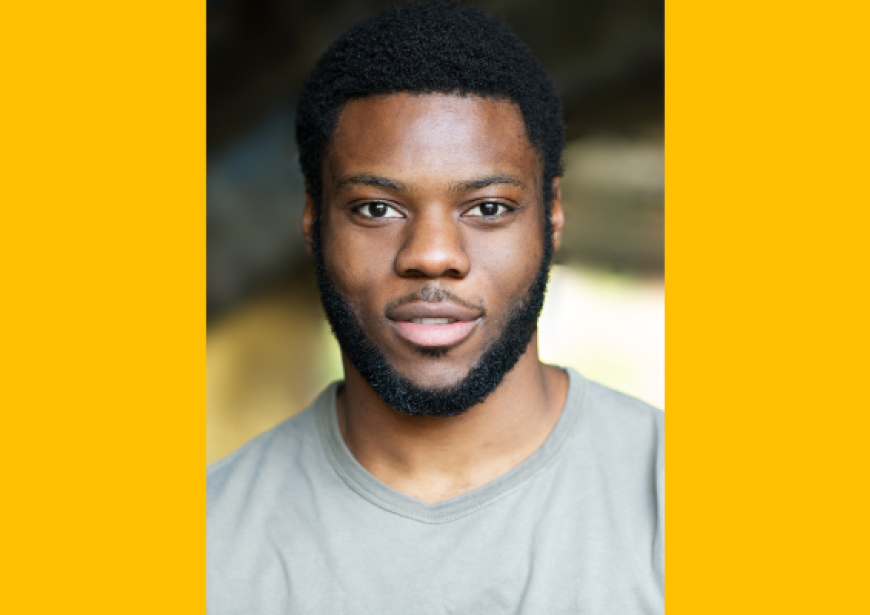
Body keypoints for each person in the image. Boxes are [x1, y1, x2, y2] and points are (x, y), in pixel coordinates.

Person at [207, 2, 663, 613]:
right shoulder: (209, 546)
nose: (432, 255)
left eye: (489, 208)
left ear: (551, 214)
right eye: (376, 208)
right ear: (314, 218)